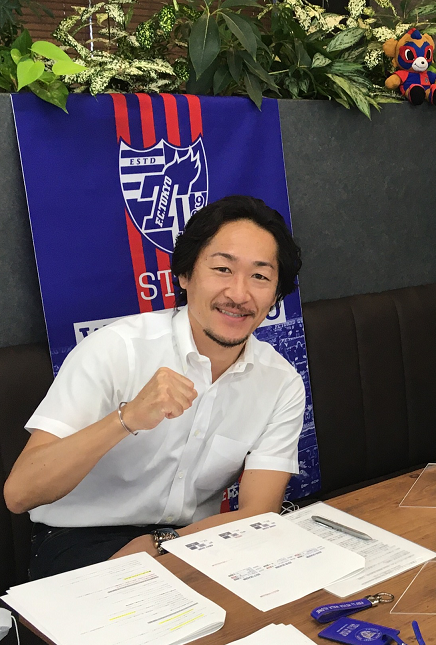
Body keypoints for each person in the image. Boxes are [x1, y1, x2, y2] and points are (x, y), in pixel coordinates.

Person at [4, 195, 306, 579]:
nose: (238, 293)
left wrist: (162, 544)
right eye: (222, 269)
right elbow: (20, 494)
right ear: (184, 275)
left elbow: (258, 512)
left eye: (260, 276)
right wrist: (127, 418)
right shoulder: (117, 349)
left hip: (196, 539)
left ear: (275, 295)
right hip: (79, 538)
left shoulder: (280, 382)